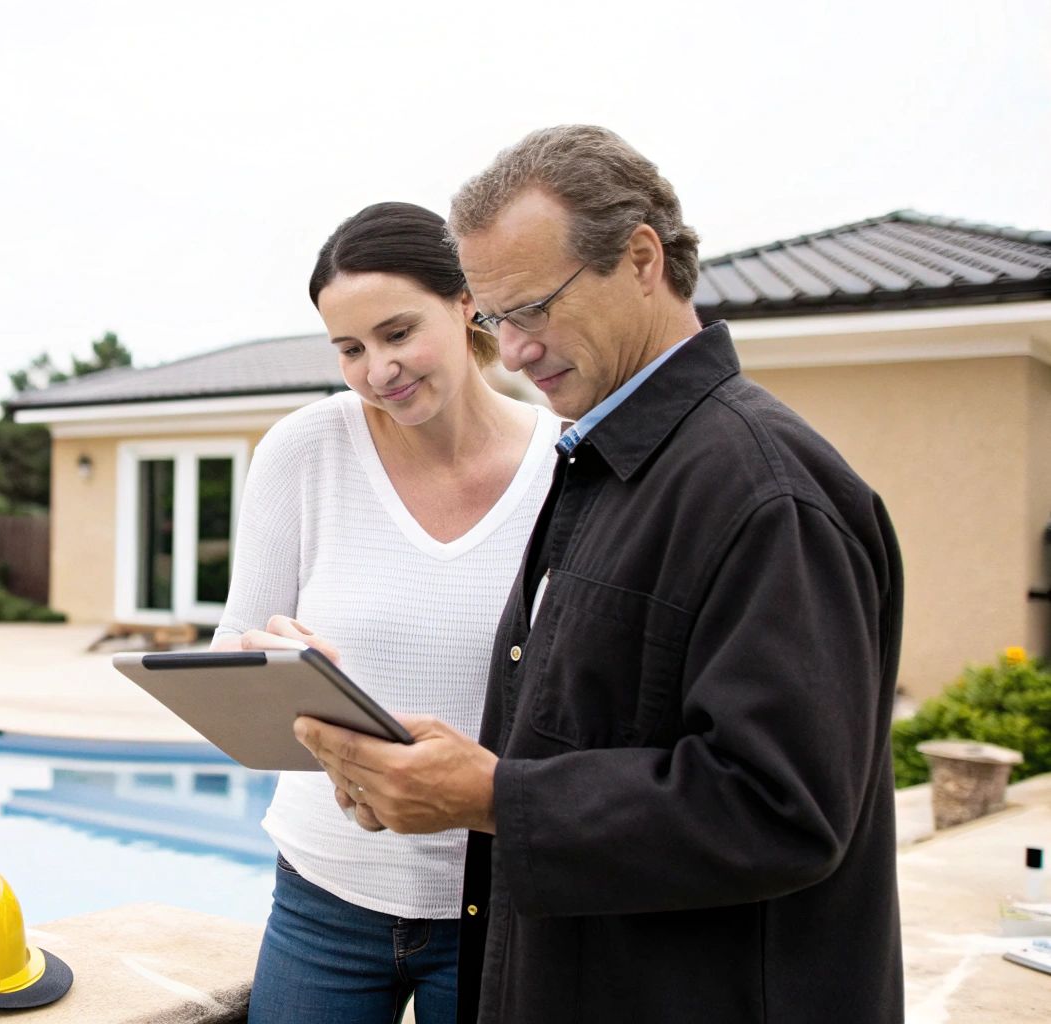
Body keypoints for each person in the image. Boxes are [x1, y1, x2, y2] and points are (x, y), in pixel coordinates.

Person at [293, 126, 905, 1023]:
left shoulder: (768, 491)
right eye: (496, 319)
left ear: (643, 257)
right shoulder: (612, 463)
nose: (517, 347)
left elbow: (783, 806)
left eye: (535, 307)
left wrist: (493, 794)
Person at [213, 201, 562, 1024]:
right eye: (350, 348)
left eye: (397, 333)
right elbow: (234, 647)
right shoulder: (304, 451)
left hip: (495, 903)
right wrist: (270, 657)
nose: (377, 370)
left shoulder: (566, 465)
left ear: (467, 300)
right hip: (324, 893)